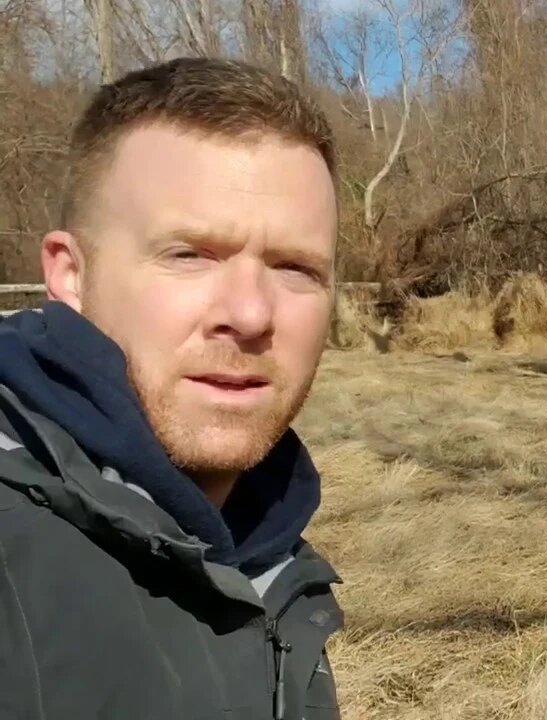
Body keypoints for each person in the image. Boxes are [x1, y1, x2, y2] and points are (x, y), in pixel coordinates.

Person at [0, 57, 345, 719]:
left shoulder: (272, 560)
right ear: (71, 277)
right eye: (189, 255)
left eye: (295, 268)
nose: (249, 315)